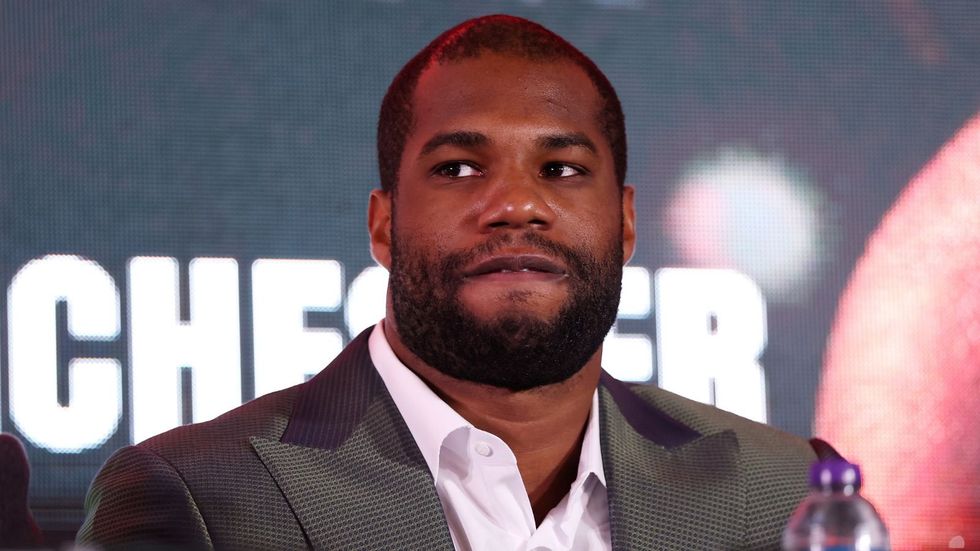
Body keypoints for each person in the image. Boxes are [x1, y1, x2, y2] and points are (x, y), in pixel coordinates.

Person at [78, 14, 826, 550]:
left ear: (626, 223)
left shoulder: (784, 493)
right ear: (383, 225)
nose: (517, 205)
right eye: (459, 167)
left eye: (561, 168)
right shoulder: (200, 498)